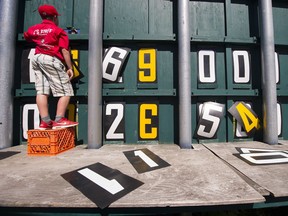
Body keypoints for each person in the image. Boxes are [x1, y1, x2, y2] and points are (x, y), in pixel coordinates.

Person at [24, 4, 78, 130]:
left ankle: (45, 121)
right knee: (66, 91)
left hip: (37, 58)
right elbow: (64, 50)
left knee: (42, 90)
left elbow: (27, 36)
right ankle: (59, 119)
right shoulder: (58, 31)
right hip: (51, 59)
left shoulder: (34, 29)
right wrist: (69, 67)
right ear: (54, 17)